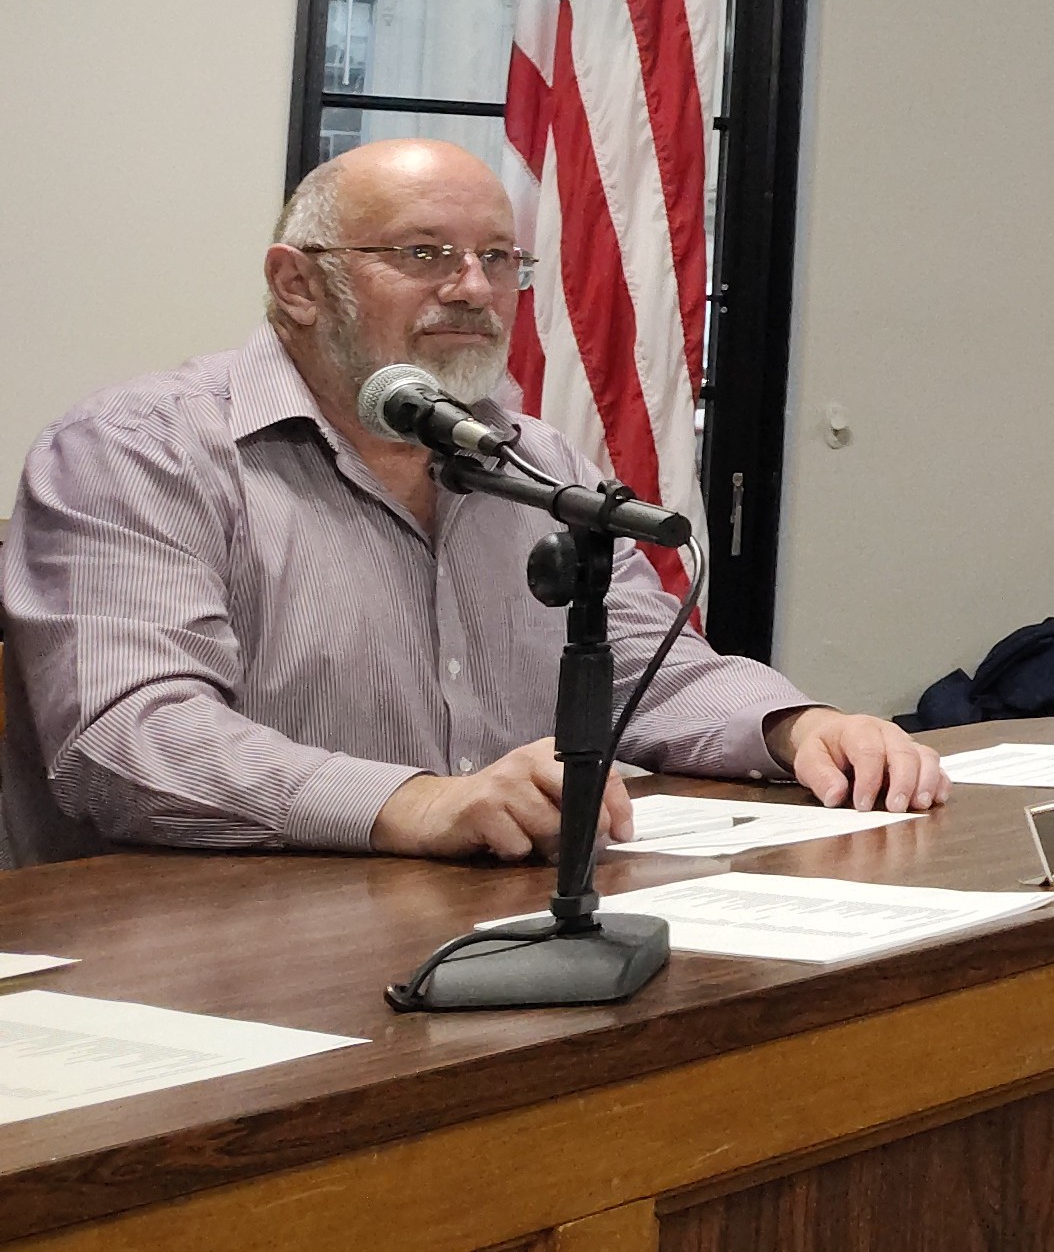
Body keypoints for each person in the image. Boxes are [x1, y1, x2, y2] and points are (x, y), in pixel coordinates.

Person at [0, 140, 943, 870]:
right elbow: (128, 738)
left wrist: (797, 727)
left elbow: (647, 674)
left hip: (489, 914)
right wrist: (412, 804)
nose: (475, 290)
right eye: (425, 254)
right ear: (297, 285)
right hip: (200, 946)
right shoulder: (136, 449)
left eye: (499, 258)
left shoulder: (531, 461)